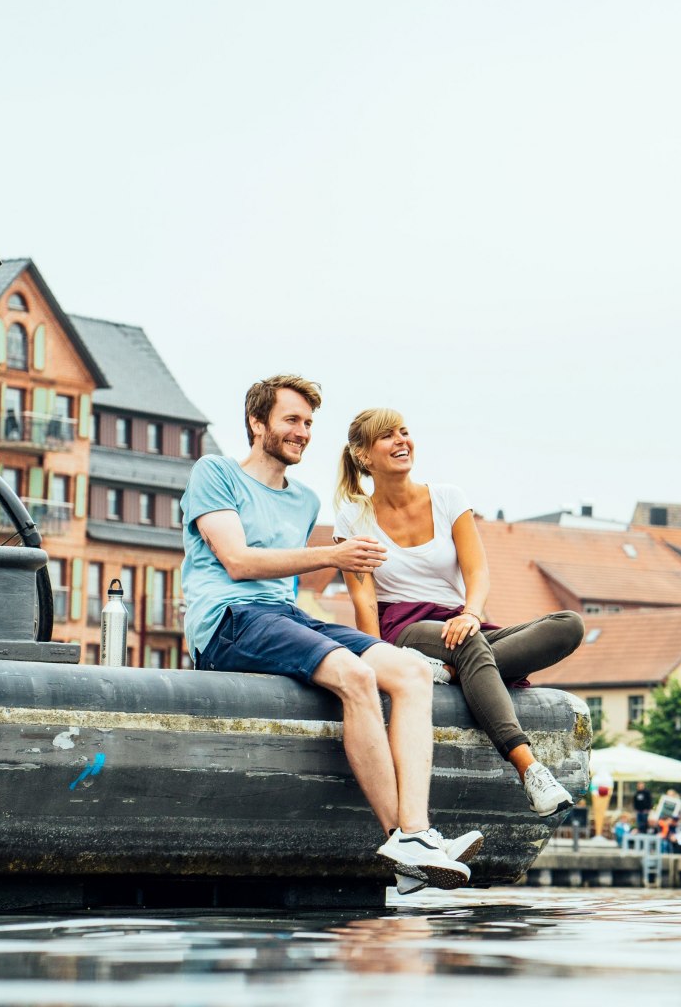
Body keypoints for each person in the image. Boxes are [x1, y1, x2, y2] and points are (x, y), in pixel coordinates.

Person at [181, 375, 474, 893]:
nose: (302, 432)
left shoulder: (305, 500)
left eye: (309, 423)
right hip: (228, 620)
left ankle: (419, 835)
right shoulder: (216, 472)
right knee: (355, 675)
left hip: (283, 616)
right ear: (257, 423)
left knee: (408, 671)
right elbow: (239, 561)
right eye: (291, 420)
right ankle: (400, 837)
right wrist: (333, 555)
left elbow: (284, 590)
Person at [333, 408, 584, 815]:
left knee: (567, 625)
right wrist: (383, 660)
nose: (401, 441)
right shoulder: (353, 518)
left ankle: (448, 673)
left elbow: (477, 570)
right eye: (387, 436)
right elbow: (363, 603)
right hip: (406, 629)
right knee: (470, 645)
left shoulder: (449, 498)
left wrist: (470, 612)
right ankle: (530, 768)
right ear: (363, 455)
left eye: (405, 432)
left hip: (463, 623)